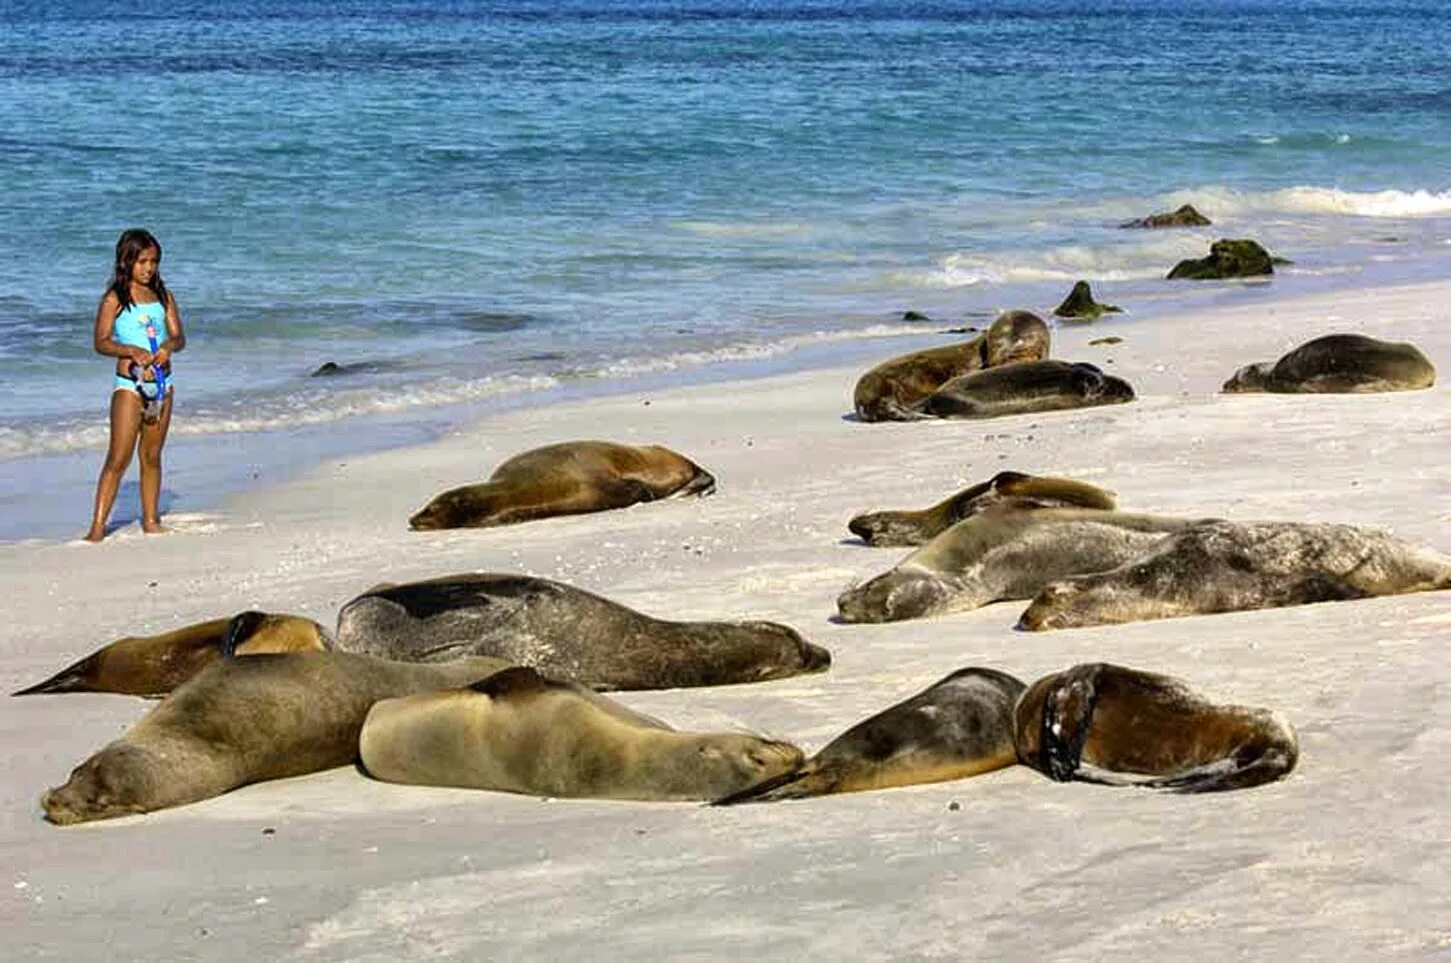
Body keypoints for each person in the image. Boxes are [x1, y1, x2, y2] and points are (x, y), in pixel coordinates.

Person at [85, 228, 187, 542]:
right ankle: (98, 528)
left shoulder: (163, 296)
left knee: (152, 456)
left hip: (162, 384)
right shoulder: (115, 298)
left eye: (154, 261)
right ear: (126, 261)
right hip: (129, 386)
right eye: (142, 261)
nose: (149, 268)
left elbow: (179, 337)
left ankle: (151, 520)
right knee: (118, 457)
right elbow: (100, 343)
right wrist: (130, 350)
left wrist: (168, 347)